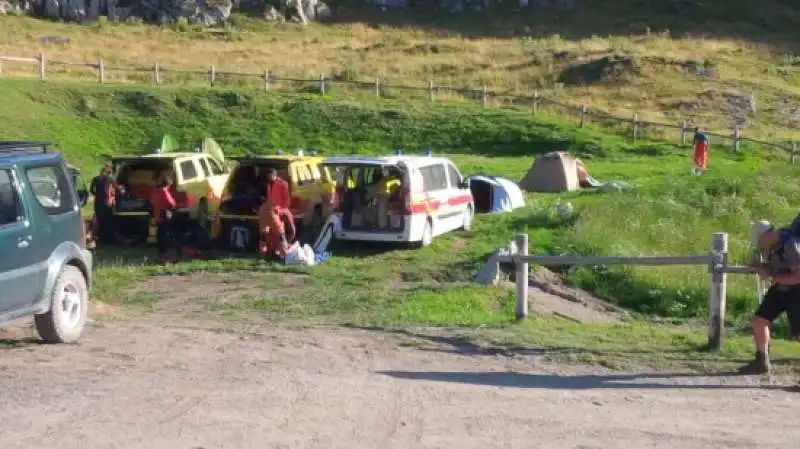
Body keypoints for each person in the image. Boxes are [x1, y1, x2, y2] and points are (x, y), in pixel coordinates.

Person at [739, 220, 800, 374]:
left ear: (767, 235)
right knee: (760, 320)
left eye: (760, 241)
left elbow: (797, 276)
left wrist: (771, 276)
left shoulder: (790, 245)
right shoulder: (774, 246)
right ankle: (761, 361)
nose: (760, 245)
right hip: (781, 288)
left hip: (797, 291)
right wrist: (761, 267)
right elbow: (778, 267)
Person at [258, 167, 292, 258]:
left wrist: (281, 210)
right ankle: (265, 253)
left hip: (277, 212)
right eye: (267, 176)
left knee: (281, 233)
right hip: (269, 211)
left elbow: (287, 200)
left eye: (270, 176)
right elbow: (269, 198)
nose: (268, 178)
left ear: (274, 175)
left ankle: (283, 253)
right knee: (266, 233)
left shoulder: (283, 184)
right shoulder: (269, 185)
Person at [149, 172, 178, 263]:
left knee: (160, 237)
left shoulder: (155, 191)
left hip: (157, 216)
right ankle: (167, 256)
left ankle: (161, 255)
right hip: (164, 216)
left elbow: (152, 202)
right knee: (165, 236)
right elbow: (171, 203)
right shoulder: (164, 191)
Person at [89, 162, 116, 245]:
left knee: (100, 221)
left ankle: (101, 238)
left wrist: (97, 194)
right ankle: (108, 240)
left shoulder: (96, 179)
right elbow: (112, 191)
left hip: (98, 203)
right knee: (108, 222)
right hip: (107, 204)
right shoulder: (109, 180)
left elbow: (91, 190)